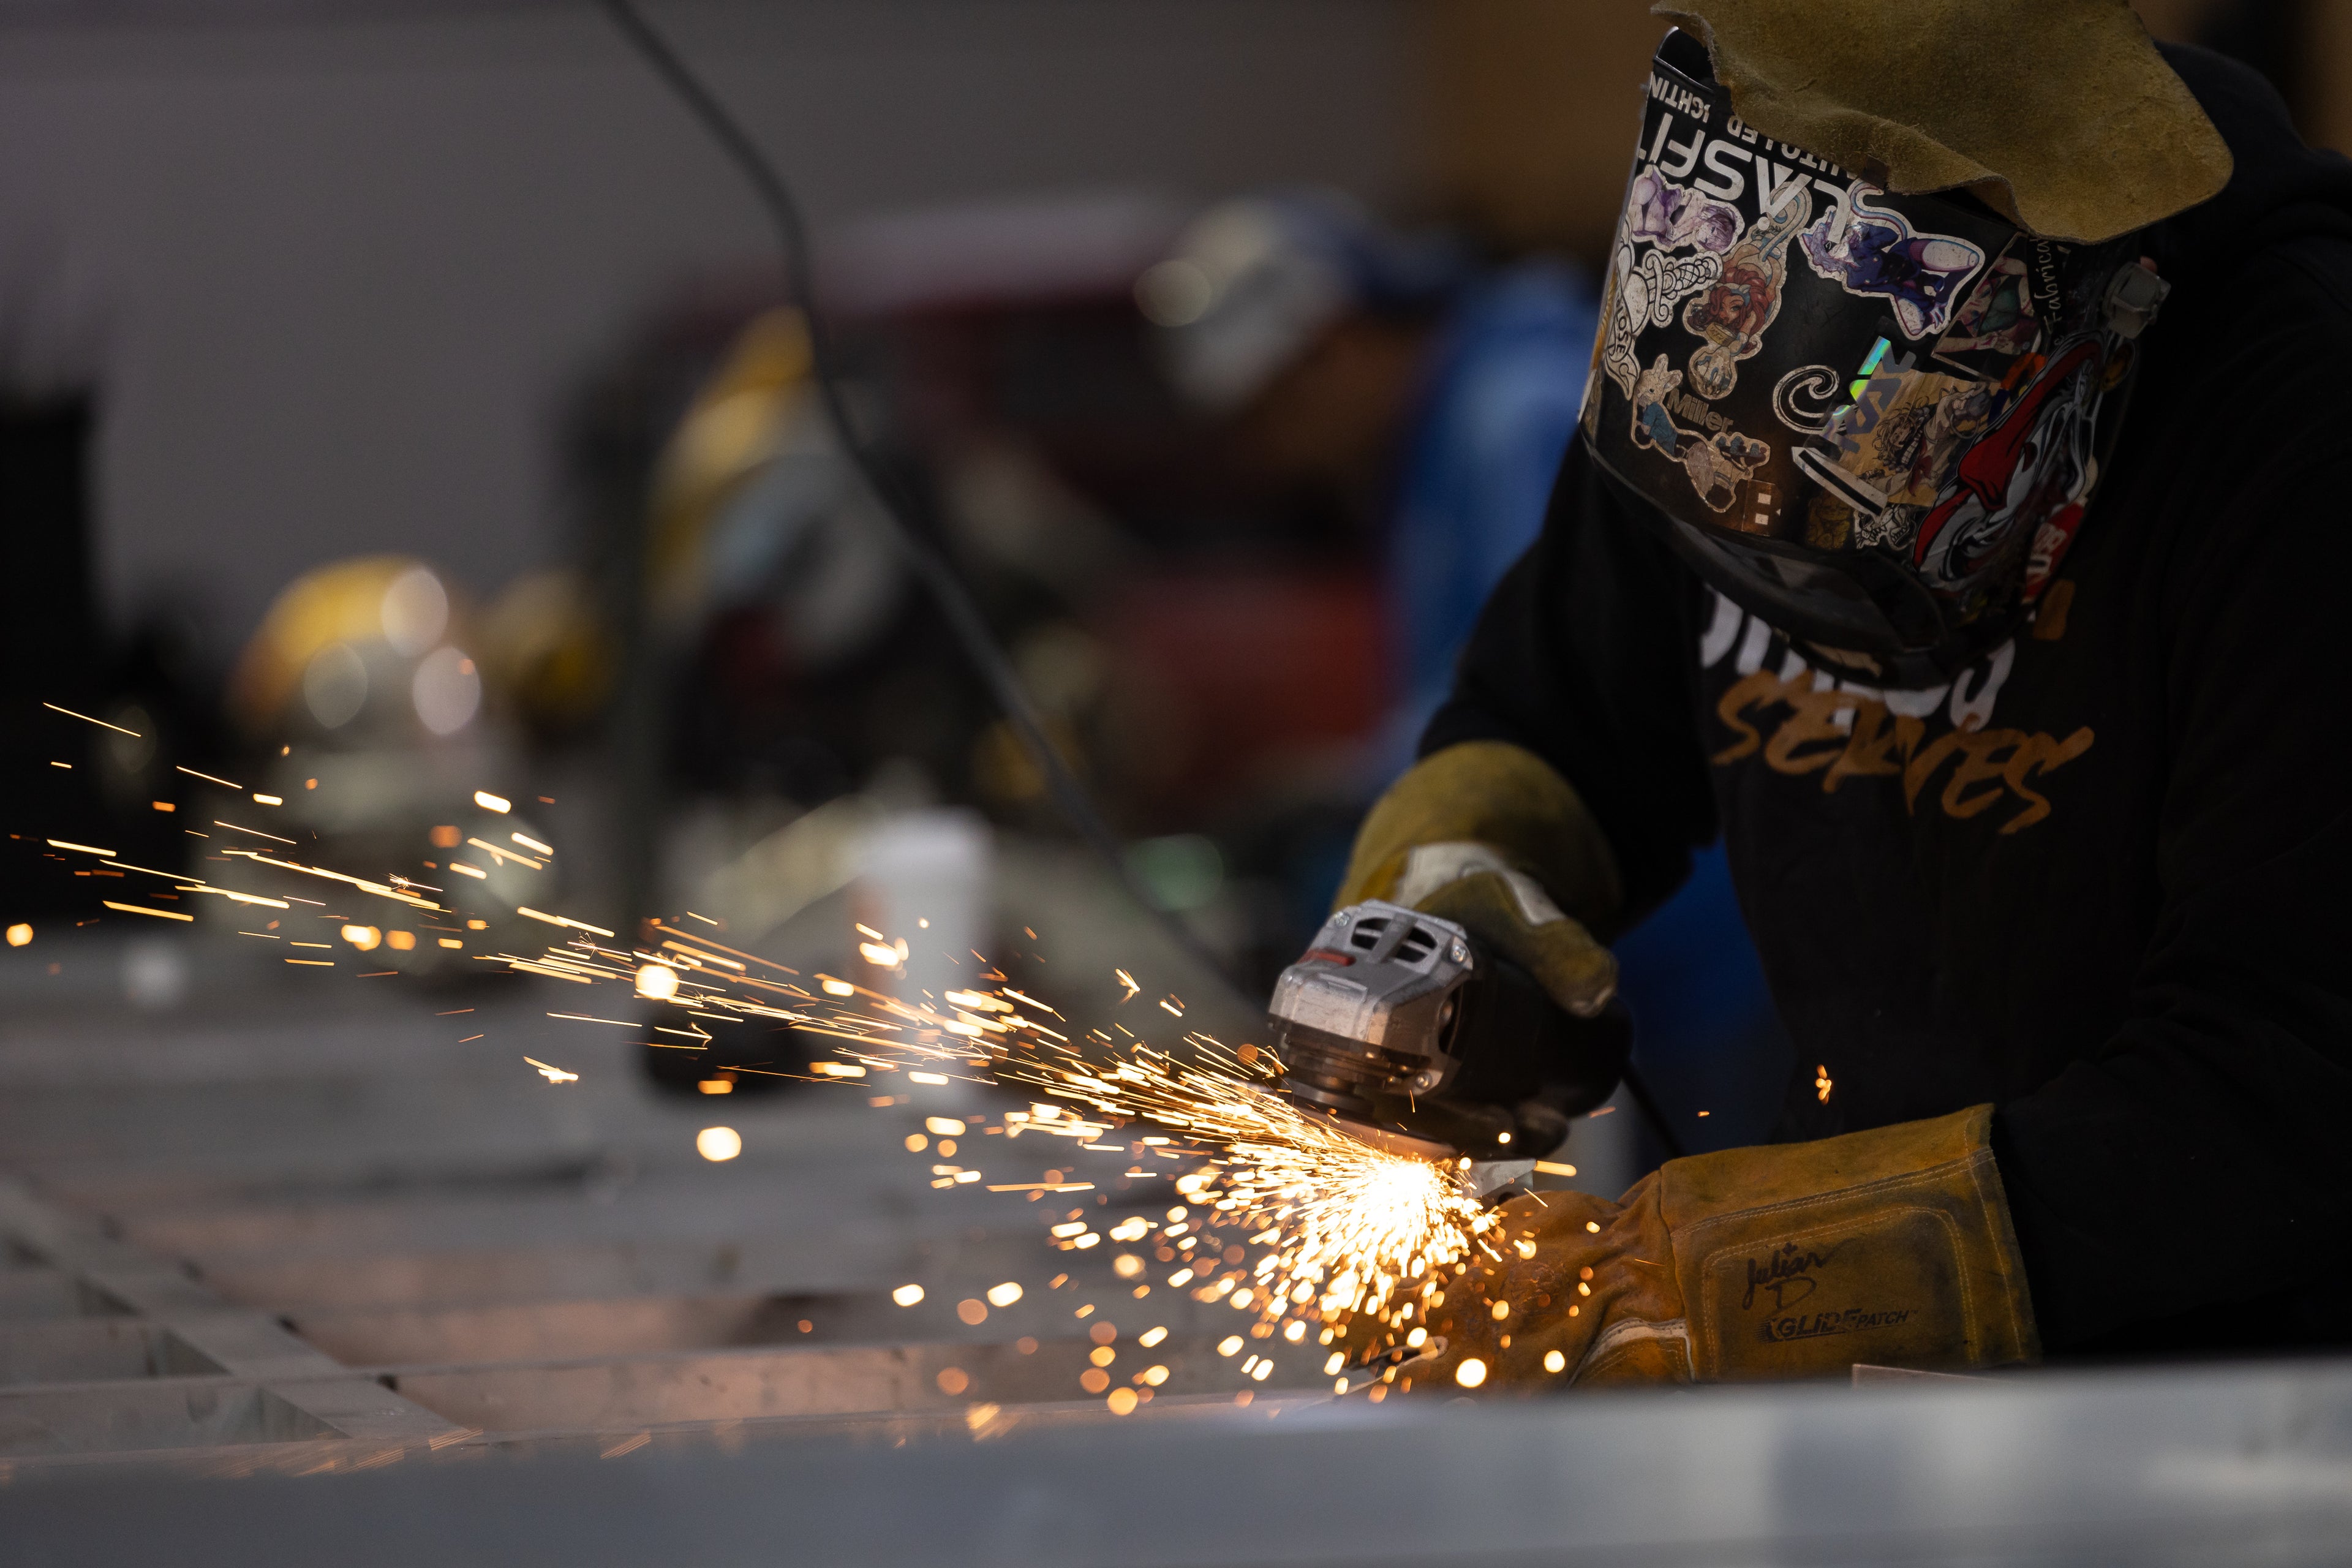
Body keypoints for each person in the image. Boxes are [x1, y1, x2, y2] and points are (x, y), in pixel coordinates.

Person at [1335, 9, 2352, 1389]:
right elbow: (1555, 718)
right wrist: (1464, 884)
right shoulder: (1704, 370)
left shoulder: (2294, 418)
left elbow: (2291, 1075)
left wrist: (1792, 1267)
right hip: (1910, 1397)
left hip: (2254, 1400)